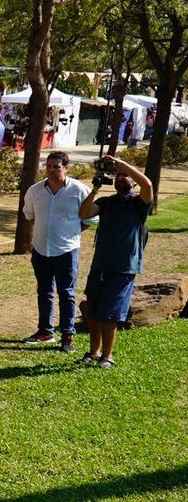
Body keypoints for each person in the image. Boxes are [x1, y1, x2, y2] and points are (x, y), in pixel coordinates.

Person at [78, 155, 153, 368]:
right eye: (118, 175)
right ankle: (94, 352)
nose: (121, 178)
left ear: (132, 180)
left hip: (123, 267)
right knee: (92, 310)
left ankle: (107, 356)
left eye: (126, 176)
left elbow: (147, 184)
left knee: (110, 314)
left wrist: (124, 165)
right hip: (100, 263)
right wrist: (94, 189)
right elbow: (84, 214)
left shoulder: (139, 204)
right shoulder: (106, 202)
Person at [22, 151, 92, 353]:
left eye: (57, 166)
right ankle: (45, 332)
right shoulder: (35, 191)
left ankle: (68, 336)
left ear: (66, 168)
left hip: (66, 251)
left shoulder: (79, 190)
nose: (51, 170)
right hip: (41, 250)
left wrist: (69, 234)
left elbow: (89, 219)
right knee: (44, 291)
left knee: (66, 293)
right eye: (49, 166)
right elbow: (30, 215)